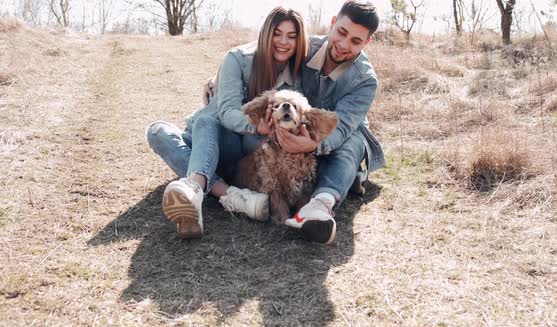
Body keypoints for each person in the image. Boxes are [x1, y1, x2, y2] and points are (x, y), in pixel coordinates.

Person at [146, 7, 308, 239]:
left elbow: (325, 41)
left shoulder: (296, 77)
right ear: (265, 33)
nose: (283, 42)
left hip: (237, 151)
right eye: (277, 33)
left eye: (292, 36)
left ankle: (195, 186)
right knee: (157, 131)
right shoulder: (238, 58)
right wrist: (255, 126)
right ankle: (230, 196)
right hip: (204, 138)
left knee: (212, 125)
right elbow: (227, 112)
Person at [278, 1, 384, 245]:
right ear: (333, 23)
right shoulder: (304, 47)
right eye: (342, 33)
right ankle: (349, 178)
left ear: (367, 43)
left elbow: (344, 126)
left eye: (356, 41)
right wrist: (220, 75)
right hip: (295, 129)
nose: (344, 45)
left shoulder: (365, 80)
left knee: (352, 141)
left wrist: (312, 146)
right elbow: (260, 53)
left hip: (339, 136)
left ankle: (320, 205)